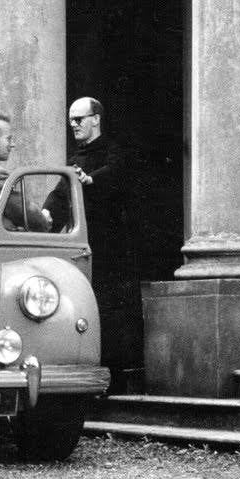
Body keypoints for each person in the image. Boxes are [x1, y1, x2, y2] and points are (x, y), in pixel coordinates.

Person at [68, 97, 143, 389]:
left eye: (79, 119)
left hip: (112, 244)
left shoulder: (114, 150)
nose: (74, 124)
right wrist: (47, 211)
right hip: (84, 244)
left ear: (96, 119)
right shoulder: (75, 157)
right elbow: (63, 192)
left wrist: (90, 181)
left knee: (111, 310)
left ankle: (116, 380)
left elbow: (115, 173)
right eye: (71, 120)